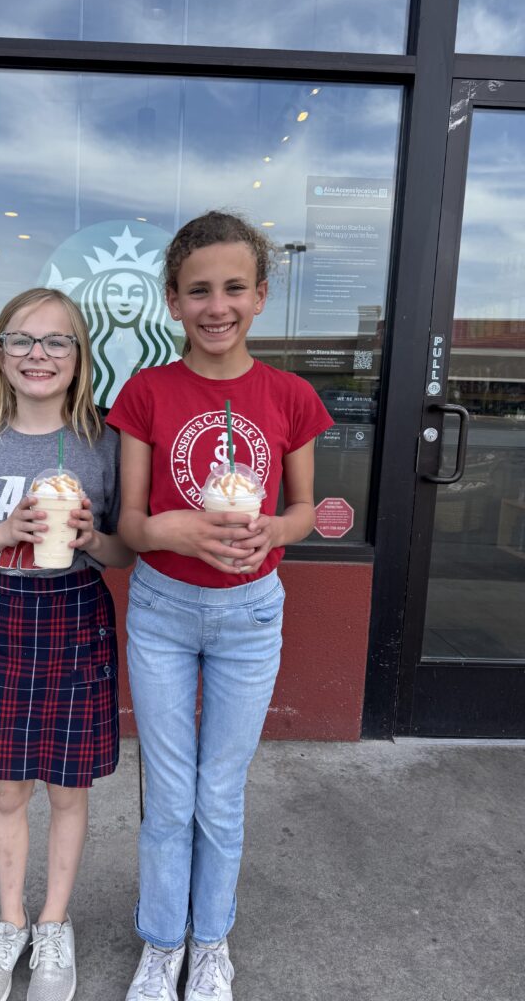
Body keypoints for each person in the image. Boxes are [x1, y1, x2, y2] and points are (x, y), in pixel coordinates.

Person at [107, 212, 333, 1001]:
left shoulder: (290, 396)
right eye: (198, 290)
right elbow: (129, 524)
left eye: (234, 288)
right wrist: (169, 528)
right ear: (173, 301)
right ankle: (161, 940)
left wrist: (275, 529)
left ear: (260, 296)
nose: (217, 306)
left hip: (250, 614)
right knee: (170, 794)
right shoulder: (145, 393)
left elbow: (303, 511)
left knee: (220, 793)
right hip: (163, 611)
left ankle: (210, 940)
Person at [0, 287, 134, 1001]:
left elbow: (124, 554)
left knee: (68, 788)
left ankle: (53, 925)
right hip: (1, 617)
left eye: (56, 341)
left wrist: (92, 538)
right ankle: (10, 920)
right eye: (22, 339)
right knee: (8, 787)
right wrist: (4, 532)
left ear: (79, 356)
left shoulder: (103, 443)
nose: (38, 354)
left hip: (76, 618)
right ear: (0, 353)